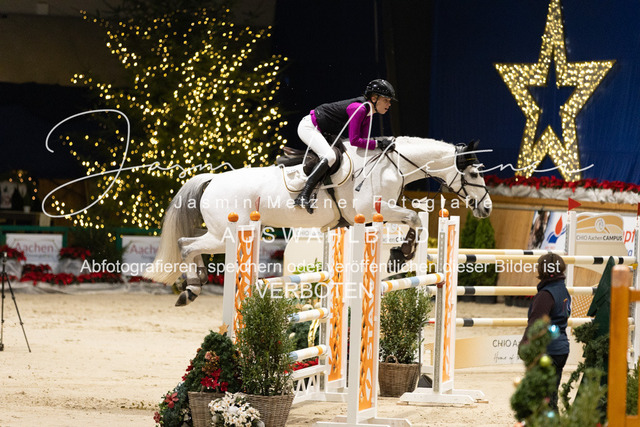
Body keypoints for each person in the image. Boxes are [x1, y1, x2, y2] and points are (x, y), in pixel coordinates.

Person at [294, 79, 396, 212]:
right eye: (386, 100)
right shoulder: (359, 109)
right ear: (374, 98)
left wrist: (380, 146)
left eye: (389, 101)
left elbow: (363, 142)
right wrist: (378, 143)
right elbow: (355, 140)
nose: (389, 104)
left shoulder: (368, 113)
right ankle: (303, 194)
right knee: (330, 156)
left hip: (323, 131)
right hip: (309, 127)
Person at [520, 253, 572, 409]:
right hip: (561, 348)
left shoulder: (545, 295)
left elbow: (535, 324)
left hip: (548, 351)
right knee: (550, 397)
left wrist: (524, 344)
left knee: (543, 399)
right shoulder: (563, 290)